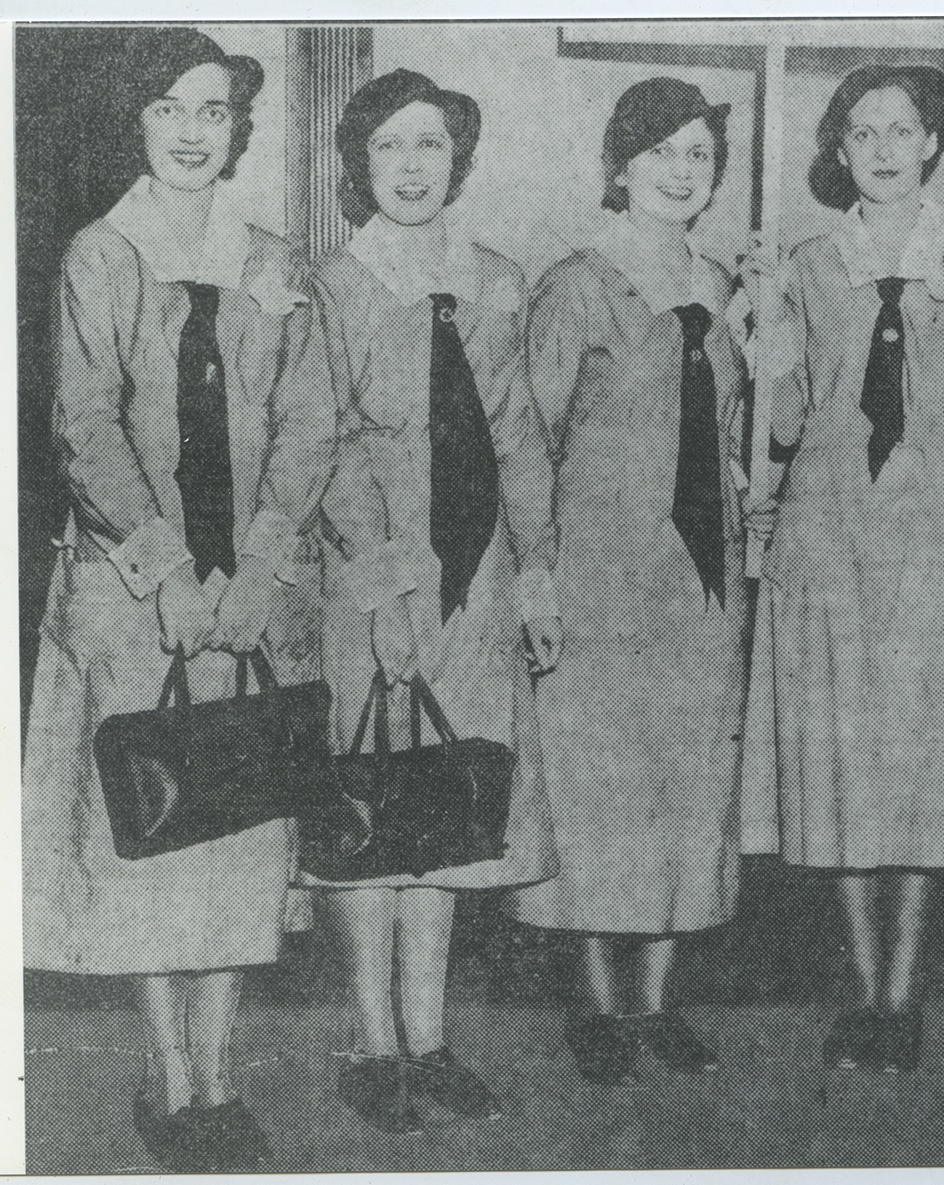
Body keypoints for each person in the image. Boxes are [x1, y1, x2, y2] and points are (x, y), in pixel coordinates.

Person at [20, 29, 334, 1171]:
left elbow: (311, 421)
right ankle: (169, 1080)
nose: (196, 131)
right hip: (133, 592)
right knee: (152, 833)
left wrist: (253, 569)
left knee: (241, 832)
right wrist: (168, 569)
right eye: (171, 110)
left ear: (237, 130)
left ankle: (222, 1069)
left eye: (214, 112)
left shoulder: (275, 259)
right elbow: (82, 426)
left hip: (251, 597)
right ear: (138, 124)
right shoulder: (100, 254)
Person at [739, 64, 944, 1075]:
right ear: (841, 149)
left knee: (926, 768)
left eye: (903, 130)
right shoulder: (808, 263)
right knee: (844, 770)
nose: (885, 148)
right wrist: (762, 319)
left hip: (940, 529)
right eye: (864, 133)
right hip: (828, 530)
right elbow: (776, 427)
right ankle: (864, 994)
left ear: (933, 143)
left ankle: (908, 990)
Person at [308, 69, 559, 1133]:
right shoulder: (334, 282)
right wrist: (386, 590)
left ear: (457, 160)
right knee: (375, 805)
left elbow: (518, 438)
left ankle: (429, 1035)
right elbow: (329, 447)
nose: (413, 168)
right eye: (390, 150)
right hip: (377, 572)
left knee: (452, 803)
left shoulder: (497, 279)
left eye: (430, 148)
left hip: (484, 574)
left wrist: (539, 574)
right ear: (360, 169)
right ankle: (372, 1044)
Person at [501, 77, 751, 1086]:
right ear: (622, 166)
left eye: (699, 154)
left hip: (702, 577)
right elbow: (528, 441)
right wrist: (536, 575)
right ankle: (597, 1005)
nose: (682, 171)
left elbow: (733, 434)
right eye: (663, 154)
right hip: (603, 573)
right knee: (600, 788)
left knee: (689, 783)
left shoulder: (727, 285)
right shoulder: (576, 283)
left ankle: (657, 1001)